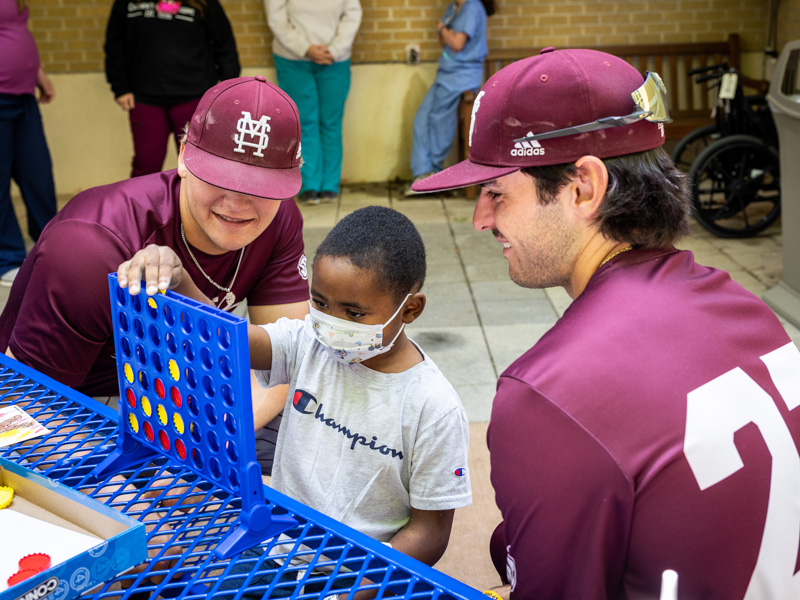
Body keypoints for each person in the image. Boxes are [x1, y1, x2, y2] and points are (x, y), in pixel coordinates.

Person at [412, 48, 800, 599]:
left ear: (583, 188)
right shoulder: (748, 311)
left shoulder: (548, 398)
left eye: (496, 191)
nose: (481, 218)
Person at [118, 205, 472, 596]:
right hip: (275, 550)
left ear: (410, 309)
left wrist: (360, 589)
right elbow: (231, 339)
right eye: (320, 303)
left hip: (361, 573)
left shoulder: (433, 408)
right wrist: (178, 277)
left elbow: (430, 531)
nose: (332, 323)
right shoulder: (309, 342)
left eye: (354, 313)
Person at [0, 76, 309, 474]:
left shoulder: (279, 218)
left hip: (186, 384)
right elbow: (23, 411)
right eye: (220, 176)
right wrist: (141, 496)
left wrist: (205, 446)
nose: (238, 203)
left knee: (326, 432)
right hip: (85, 402)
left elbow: (288, 357)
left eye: (261, 185)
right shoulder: (89, 247)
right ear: (183, 156)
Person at [104, 0, 240, 178]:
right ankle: (142, 206)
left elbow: (225, 44)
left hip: (194, 97)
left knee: (196, 162)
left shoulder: (203, 3)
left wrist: (226, 90)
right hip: (145, 98)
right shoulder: (127, 3)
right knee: (146, 163)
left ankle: (195, 206)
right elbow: (115, 45)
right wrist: (120, 87)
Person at [265, 0, 362, 206]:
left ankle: (329, 184)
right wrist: (305, 48)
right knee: (304, 122)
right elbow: (277, 18)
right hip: (293, 59)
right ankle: (308, 184)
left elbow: (352, 13)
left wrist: (335, 49)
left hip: (335, 60)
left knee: (331, 123)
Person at [405, 0, 493, 196]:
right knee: (421, 118)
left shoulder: (472, 7)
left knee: (438, 122)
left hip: (460, 77)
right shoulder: (453, 8)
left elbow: (457, 43)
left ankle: (431, 174)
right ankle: (422, 172)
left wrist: (442, 29)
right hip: (446, 73)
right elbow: (445, 43)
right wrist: (444, 32)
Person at [0, 0, 57, 287]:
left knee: (38, 176)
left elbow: (14, 33)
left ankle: (53, 247)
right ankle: (7, 257)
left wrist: (38, 73)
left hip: (23, 97)